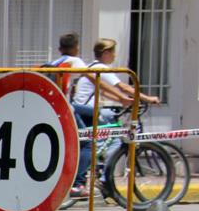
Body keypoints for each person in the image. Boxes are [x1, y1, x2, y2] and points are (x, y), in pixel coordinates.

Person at [69, 38, 161, 195]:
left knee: (107, 131)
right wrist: (148, 98)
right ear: (105, 53)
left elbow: (105, 91)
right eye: (113, 52)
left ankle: (98, 169)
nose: (114, 56)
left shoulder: (92, 66)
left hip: (82, 109)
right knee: (110, 139)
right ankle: (97, 179)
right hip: (88, 110)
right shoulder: (101, 68)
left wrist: (123, 101)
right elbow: (123, 87)